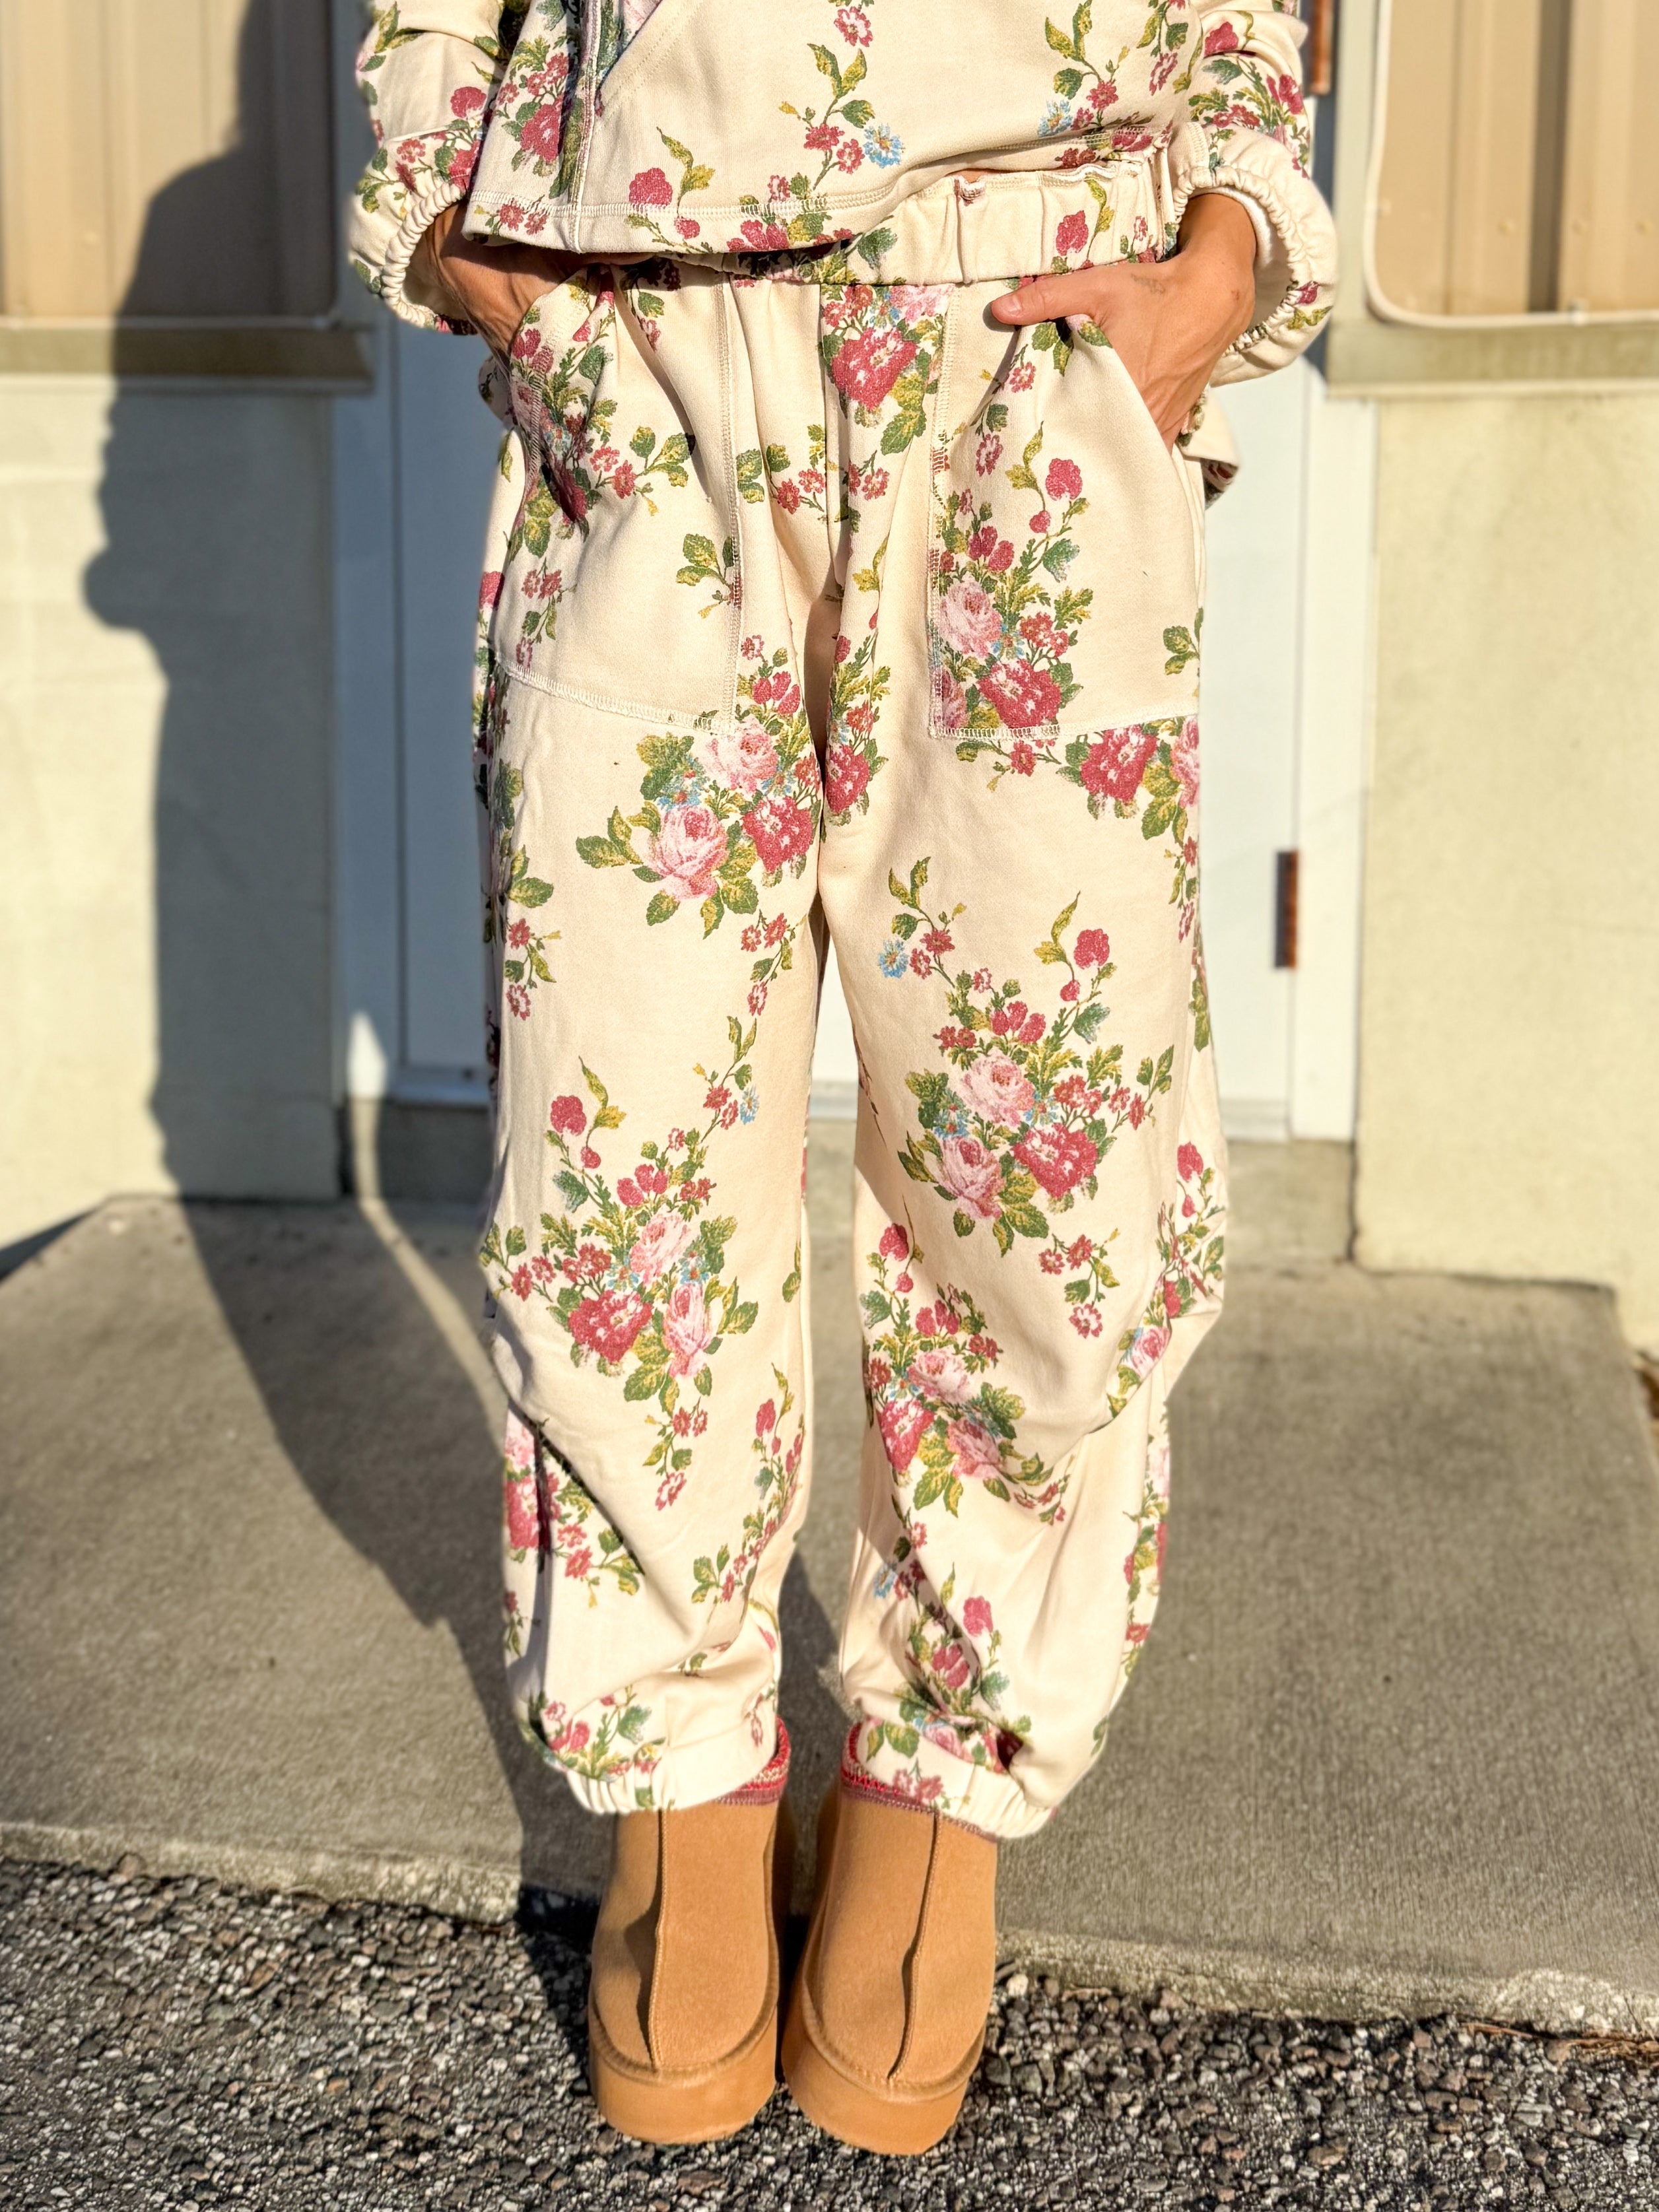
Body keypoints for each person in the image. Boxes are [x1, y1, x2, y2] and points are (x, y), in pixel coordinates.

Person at [349, 0, 1335, 2157]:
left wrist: (1227, 250)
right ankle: (681, 1774)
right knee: (621, 1148)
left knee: (1037, 1156)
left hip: (1027, 337)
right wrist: (450, 215)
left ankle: (940, 1780)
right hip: (648, 344)